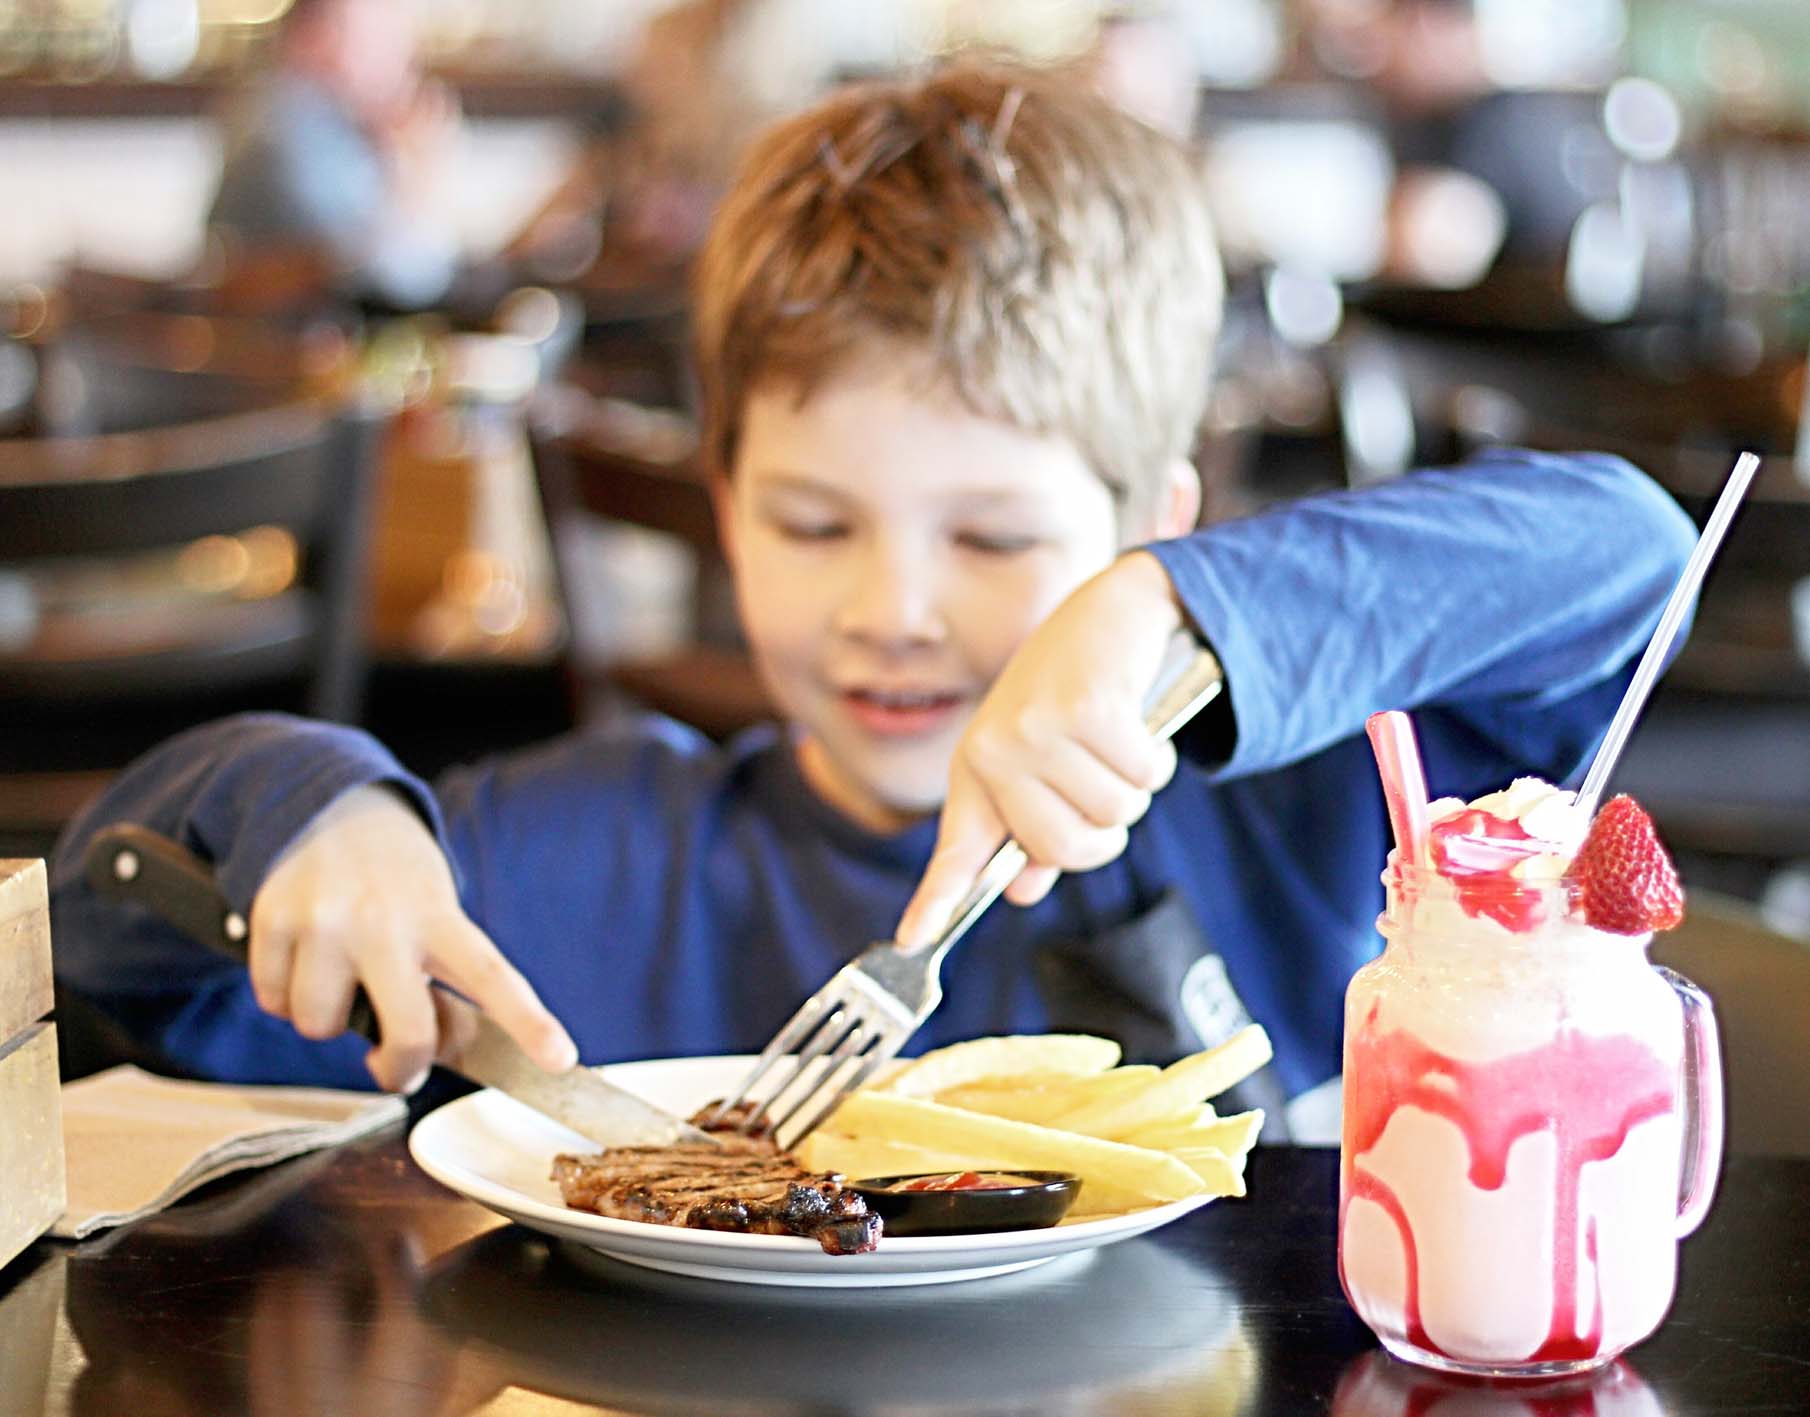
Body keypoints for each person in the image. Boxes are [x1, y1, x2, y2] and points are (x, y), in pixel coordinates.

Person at [51, 62, 1694, 1139]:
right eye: (816, 521)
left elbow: (1623, 557)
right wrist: (300, 806)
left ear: (1153, 524)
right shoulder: (587, 862)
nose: (894, 607)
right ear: (724, 514)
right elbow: (104, 968)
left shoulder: (1299, 820)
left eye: (991, 541)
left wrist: (1183, 618)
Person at [207, 0, 461, 310]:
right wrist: (418, 169)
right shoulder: (289, 126)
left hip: (302, 337)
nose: (405, 55)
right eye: (381, 37)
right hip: (286, 344)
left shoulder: (323, 120)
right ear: (315, 35)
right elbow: (395, 278)